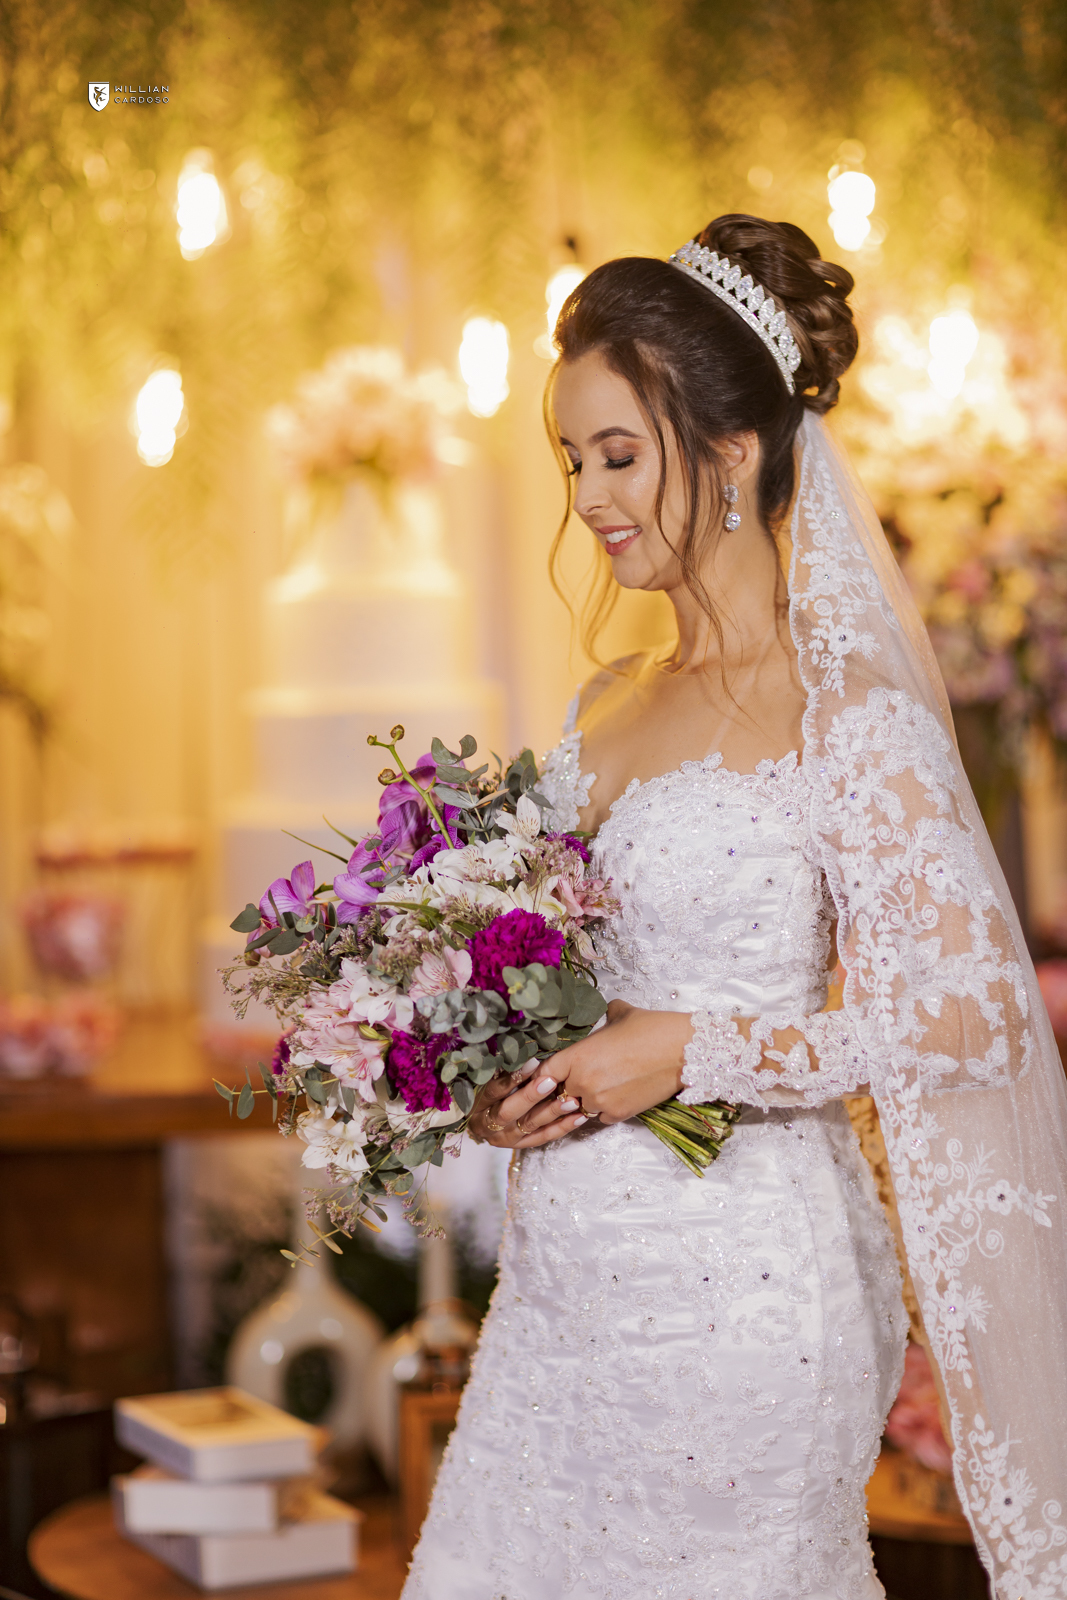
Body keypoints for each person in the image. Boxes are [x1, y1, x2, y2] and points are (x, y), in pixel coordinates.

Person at [402, 216, 1067, 1600]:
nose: (590, 496)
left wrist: (694, 1049)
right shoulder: (602, 706)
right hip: (561, 1294)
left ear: (735, 450)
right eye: (571, 460)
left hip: (750, 1293)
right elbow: (566, 986)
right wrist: (507, 1085)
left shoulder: (847, 715)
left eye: (619, 453)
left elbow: (975, 1018)